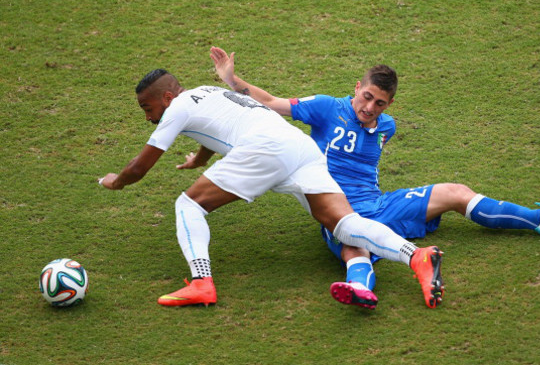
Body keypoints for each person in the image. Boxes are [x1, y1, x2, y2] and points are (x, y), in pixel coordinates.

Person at [209, 46, 540, 310]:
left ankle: (538, 220)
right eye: (366, 97)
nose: (369, 108)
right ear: (356, 87)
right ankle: (361, 289)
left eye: (379, 103)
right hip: (336, 211)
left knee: (454, 192)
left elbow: (375, 140)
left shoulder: (387, 126)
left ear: (389, 106)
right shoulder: (326, 108)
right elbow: (271, 102)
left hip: (378, 205)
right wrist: (232, 80)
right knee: (353, 242)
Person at [99, 69, 446, 309]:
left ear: (168, 96)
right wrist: (201, 159)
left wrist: (116, 180)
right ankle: (416, 256)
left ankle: (201, 283)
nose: (148, 116)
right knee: (342, 223)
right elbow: (214, 127)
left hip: (263, 149)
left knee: (188, 206)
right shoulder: (209, 93)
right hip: (300, 147)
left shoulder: (176, 108)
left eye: (148, 107)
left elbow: (139, 167)